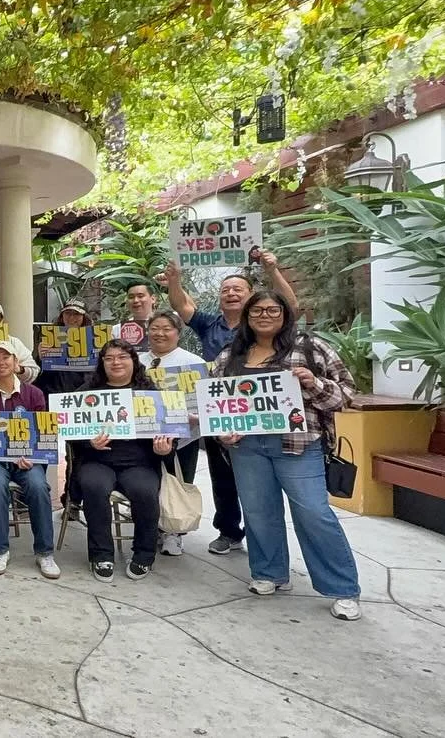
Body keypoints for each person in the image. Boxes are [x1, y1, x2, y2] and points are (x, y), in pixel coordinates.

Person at [214, 291, 361, 621]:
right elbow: (218, 405)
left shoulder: (310, 347)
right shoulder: (230, 355)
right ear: (248, 317)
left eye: (272, 310)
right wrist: (223, 430)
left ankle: (342, 588)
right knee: (258, 512)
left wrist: (313, 383)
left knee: (313, 512)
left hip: (299, 445)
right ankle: (269, 573)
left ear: (285, 314)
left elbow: (346, 394)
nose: (264, 316)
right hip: (247, 447)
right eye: (257, 311)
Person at [163, 255, 299, 556]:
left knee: (260, 479)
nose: (231, 293)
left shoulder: (264, 324)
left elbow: (289, 307)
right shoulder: (209, 323)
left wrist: (271, 269)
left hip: (263, 412)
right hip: (220, 412)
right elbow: (182, 306)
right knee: (222, 476)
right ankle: (229, 531)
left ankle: (264, 537)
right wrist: (174, 279)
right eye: (226, 289)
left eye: (238, 288)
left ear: (251, 296)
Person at [70, 340, 174, 583]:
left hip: (139, 463)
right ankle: (101, 554)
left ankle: (144, 554)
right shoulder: (86, 393)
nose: (116, 362)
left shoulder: (151, 394)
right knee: (94, 487)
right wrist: (89, 442)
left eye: (122, 357)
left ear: (134, 361)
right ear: (102, 363)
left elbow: (170, 435)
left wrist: (164, 449)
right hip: (97, 460)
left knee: (146, 491)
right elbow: (70, 433)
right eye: (109, 358)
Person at [0, 339, 60, 579]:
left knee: (39, 486)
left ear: (16, 362)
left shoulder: (34, 394)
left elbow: (43, 433)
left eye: (6, 357)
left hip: (26, 458)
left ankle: (44, 552)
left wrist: (32, 455)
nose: (1, 362)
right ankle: (0, 549)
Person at [139, 310, 208, 557]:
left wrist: (194, 417)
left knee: (180, 480)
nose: (159, 333)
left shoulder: (193, 362)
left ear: (178, 332)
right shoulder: (138, 361)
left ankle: (175, 533)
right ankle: (156, 526)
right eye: (155, 328)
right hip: (146, 435)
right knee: (152, 481)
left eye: (166, 328)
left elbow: (205, 400)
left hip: (184, 435)